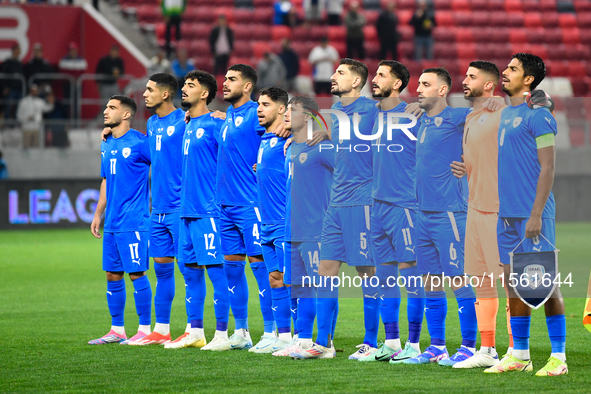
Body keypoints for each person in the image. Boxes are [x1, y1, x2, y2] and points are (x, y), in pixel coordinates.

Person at [484, 53, 567, 376]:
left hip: (534, 216)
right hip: (507, 217)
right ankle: (519, 354)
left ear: (529, 79)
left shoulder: (539, 116)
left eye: (513, 69)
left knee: (545, 285)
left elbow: (548, 168)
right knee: (513, 285)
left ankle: (558, 357)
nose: (505, 72)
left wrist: (535, 214)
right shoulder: (508, 114)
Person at [293, 58, 380, 360]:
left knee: (367, 273)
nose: (332, 76)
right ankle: (324, 343)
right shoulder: (336, 114)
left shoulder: (372, 110)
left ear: (356, 81)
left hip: (362, 201)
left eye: (340, 73)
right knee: (325, 271)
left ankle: (371, 342)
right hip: (336, 203)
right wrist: (328, 134)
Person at [403, 68, 478, 366]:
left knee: (459, 279)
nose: (418, 88)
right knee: (431, 282)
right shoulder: (422, 121)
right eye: (418, 83)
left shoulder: (459, 117)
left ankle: (471, 347)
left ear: (443, 90)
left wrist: (471, 165)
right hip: (423, 214)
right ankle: (437, 347)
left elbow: (491, 120)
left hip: (450, 213)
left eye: (425, 84)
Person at [357, 60, 426, 363]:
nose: (375, 79)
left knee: (411, 276)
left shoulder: (413, 115)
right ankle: (393, 342)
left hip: (405, 207)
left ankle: (415, 345)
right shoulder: (371, 115)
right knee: (384, 278)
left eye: (382, 75)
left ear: (397, 84)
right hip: (378, 206)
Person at [165, 70, 232, 351]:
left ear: (204, 93)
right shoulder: (187, 124)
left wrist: (225, 118)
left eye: (190, 86)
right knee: (190, 272)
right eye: (184, 85)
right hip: (186, 212)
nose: (184, 89)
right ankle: (195, 331)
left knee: (217, 273)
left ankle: (223, 336)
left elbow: (239, 152)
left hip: (208, 211)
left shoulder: (216, 124)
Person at [217, 64, 274, 350]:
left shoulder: (256, 114)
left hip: (250, 204)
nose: (224, 83)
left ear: (248, 86)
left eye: (232, 79)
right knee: (233, 270)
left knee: (262, 270)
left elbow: (282, 130)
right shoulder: (228, 115)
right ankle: (241, 331)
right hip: (225, 206)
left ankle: (273, 331)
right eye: (225, 78)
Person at [89, 95, 153, 345]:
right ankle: (117, 330)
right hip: (113, 223)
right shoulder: (106, 143)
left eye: (112, 108)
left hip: (135, 221)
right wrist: (98, 213)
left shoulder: (140, 142)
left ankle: (145, 329)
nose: (106, 111)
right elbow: (106, 179)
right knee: (112, 275)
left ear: (126, 114)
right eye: (106, 106)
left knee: (136, 273)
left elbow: (162, 166)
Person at [131, 73, 187, 346]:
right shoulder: (152, 123)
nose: (145, 94)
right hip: (158, 211)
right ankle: (162, 328)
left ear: (166, 94)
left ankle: (195, 329)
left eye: (150, 89)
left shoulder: (185, 120)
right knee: (162, 270)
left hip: (181, 209)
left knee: (192, 270)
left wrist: (218, 116)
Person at [279, 97, 336, 358]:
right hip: (292, 228)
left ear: (310, 116)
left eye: (293, 110)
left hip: (317, 229)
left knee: (323, 285)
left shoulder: (324, 147)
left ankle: (326, 344)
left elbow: (353, 171)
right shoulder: (289, 147)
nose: (287, 113)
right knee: (300, 287)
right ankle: (304, 339)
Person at [250, 86, 292, 353]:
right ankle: (284, 336)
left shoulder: (293, 136)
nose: (259, 109)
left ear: (281, 109)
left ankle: (303, 337)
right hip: (265, 221)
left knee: (291, 280)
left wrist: (298, 127)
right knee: (274, 278)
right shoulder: (264, 138)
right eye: (258, 105)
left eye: (265, 104)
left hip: (285, 221)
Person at [16, 84, 54, 149]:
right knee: (26, 148)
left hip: (36, 128)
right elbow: (18, 115)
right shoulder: (24, 102)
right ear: (30, 91)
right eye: (33, 91)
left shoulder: (39, 102)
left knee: (35, 148)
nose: (35, 92)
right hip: (26, 128)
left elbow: (47, 108)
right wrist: (25, 119)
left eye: (36, 91)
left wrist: (51, 103)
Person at [1, 44, 25, 120]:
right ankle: (7, 123)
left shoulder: (20, 64)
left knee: (19, 107)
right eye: (17, 50)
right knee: (8, 106)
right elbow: (2, 76)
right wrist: (4, 87)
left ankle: (15, 124)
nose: (18, 52)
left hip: (19, 90)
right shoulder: (7, 62)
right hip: (10, 90)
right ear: (13, 51)